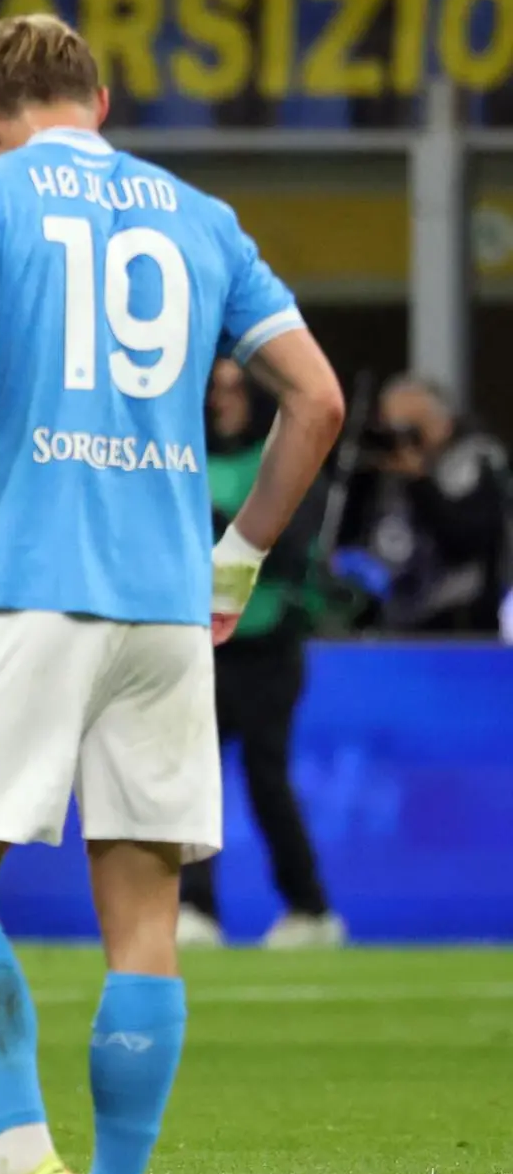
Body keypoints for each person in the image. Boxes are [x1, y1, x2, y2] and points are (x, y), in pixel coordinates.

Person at [0, 16, 344, 1174]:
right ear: (100, 99)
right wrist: (240, 556)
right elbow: (317, 400)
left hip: (26, 590)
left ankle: (17, 1162)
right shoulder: (198, 215)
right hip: (167, 608)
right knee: (145, 917)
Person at [179, 360, 344, 950]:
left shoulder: (281, 459)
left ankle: (310, 907)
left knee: (264, 775)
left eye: (233, 389)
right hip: (199, 640)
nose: (222, 400)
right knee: (194, 777)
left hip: (268, 641)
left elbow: (291, 547)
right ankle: (194, 906)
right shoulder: (185, 455)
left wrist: (225, 527)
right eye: (214, 389)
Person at [339, 373, 510, 633]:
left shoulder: (476, 461)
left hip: (461, 623)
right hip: (391, 617)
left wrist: (420, 482)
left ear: (442, 424)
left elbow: (467, 541)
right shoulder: (382, 473)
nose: (400, 441)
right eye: (390, 429)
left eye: (410, 429)